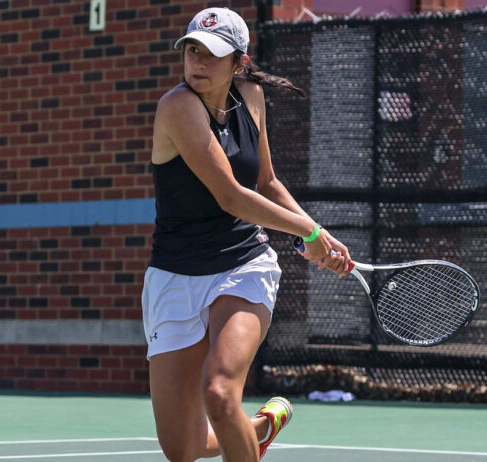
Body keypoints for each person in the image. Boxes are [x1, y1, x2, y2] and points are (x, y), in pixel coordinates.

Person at [142, 7, 352, 461]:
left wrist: (317, 236)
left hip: (242, 266)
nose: (198, 61)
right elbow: (232, 196)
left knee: (219, 393)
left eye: (212, 54)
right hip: (174, 274)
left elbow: (267, 183)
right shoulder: (176, 107)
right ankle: (259, 428)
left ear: (238, 63)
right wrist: (307, 231)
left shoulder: (250, 95)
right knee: (183, 449)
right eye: (192, 50)